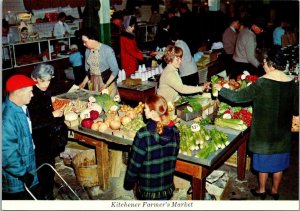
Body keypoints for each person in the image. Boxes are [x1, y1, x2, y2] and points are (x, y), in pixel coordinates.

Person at [214, 48, 299, 200]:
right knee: (279, 164)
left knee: (264, 164)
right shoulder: (292, 83)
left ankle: (261, 190)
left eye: (264, 62)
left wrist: (221, 90)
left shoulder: (262, 83)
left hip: (263, 134)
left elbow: (238, 97)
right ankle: (274, 191)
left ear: (271, 63)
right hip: (282, 134)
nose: (263, 65)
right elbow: (296, 108)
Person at [124, 95, 180, 200]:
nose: (143, 110)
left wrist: (129, 183)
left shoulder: (143, 135)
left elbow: (134, 164)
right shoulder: (175, 131)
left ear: (153, 113)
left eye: (146, 108)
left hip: (148, 189)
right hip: (166, 186)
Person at [27, 63, 67, 200]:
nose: (46, 84)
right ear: (34, 78)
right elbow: (32, 122)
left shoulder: (44, 91)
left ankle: (48, 195)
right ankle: (44, 197)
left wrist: (57, 115)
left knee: (49, 168)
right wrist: (52, 116)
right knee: (43, 171)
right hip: (38, 139)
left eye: (48, 80)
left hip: (47, 137)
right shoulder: (30, 95)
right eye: (42, 80)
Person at [2, 74, 40, 200]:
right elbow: (6, 153)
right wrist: (22, 173)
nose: (32, 95)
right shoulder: (6, 117)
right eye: (30, 92)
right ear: (18, 92)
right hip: (15, 181)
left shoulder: (19, 109)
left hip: (25, 170)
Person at [79, 27, 120, 99]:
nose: (84, 44)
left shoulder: (107, 50)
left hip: (106, 82)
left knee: (109, 106)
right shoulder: (87, 51)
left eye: (85, 41)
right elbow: (89, 71)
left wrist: (106, 85)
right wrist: (84, 82)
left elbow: (115, 70)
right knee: (95, 107)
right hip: (93, 83)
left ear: (92, 39)